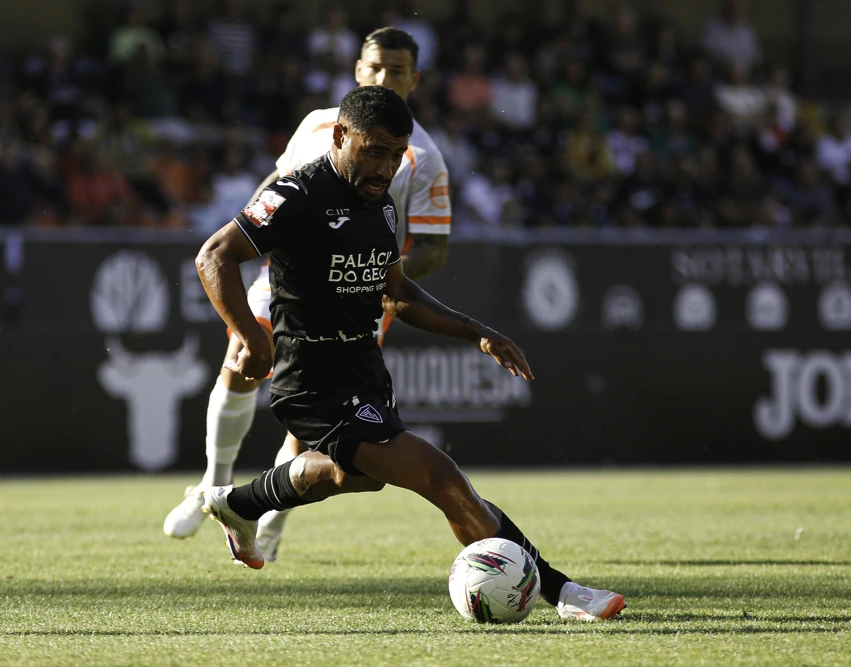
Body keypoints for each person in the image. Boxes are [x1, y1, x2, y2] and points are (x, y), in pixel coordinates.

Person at [195, 84, 627, 622]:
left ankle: (238, 504)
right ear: (339, 136)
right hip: (310, 373)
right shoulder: (295, 196)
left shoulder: (383, 207)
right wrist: (250, 334)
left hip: (363, 369)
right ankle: (563, 592)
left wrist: (477, 333)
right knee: (440, 477)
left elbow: (396, 294)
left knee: (357, 475)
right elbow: (214, 254)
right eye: (374, 150)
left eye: (396, 153)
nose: (385, 166)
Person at [163, 28, 451, 561]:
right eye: (374, 67)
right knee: (239, 361)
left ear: (416, 78)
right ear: (357, 69)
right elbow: (274, 185)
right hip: (286, 277)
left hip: (355, 295)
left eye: (396, 70)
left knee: (317, 418)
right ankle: (210, 485)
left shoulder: (424, 156)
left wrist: (367, 274)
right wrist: (251, 231)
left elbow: (433, 245)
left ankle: (269, 517)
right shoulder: (319, 124)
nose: (384, 77)